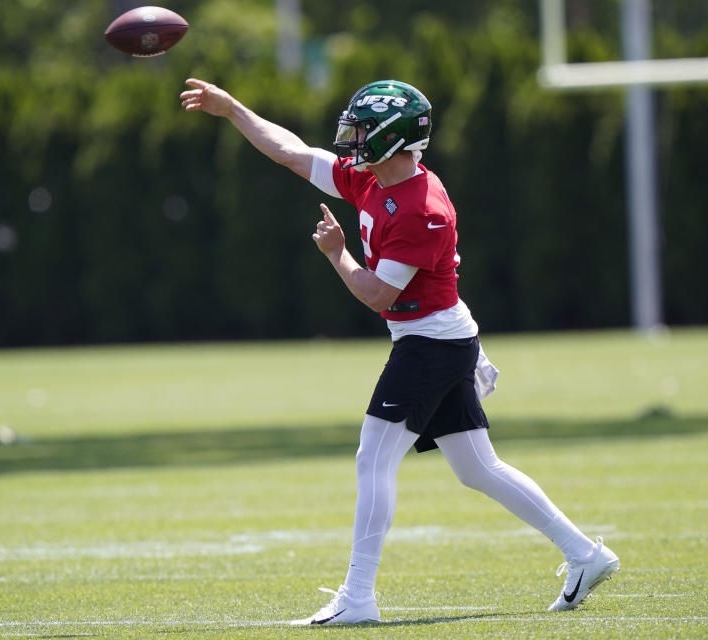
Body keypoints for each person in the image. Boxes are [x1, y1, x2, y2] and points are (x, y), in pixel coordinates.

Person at [180, 77, 619, 625]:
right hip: (442, 337)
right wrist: (231, 109)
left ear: (392, 136)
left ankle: (358, 597)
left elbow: (377, 294)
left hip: (430, 343)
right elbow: (291, 153)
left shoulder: (420, 207)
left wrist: (338, 255)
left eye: (363, 129)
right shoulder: (374, 178)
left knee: (374, 457)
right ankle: (586, 554)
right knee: (478, 468)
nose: (353, 137)